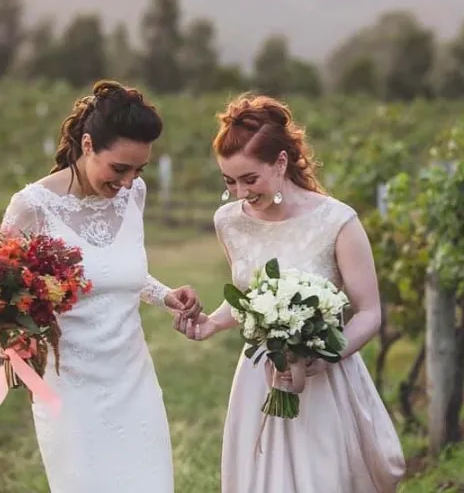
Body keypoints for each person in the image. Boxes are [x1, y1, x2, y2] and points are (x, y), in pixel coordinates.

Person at [174, 93, 406, 492]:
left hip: (325, 380)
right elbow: (250, 301)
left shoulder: (336, 221)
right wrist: (211, 323)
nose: (240, 193)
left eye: (251, 179)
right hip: (258, 378)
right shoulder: (228, 222)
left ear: (280, 163)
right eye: (229, 181)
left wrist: (324, 355)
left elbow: (369, 313)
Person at [0, 80, 201, 493]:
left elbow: (117, 271)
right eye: (119, 168)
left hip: (134, 383)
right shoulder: (32, 206)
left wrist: (165, 295)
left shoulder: (134, 196)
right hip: (71, 390)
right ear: (87, 145)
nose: (128, 182)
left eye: (139, 170)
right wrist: (17, 340)